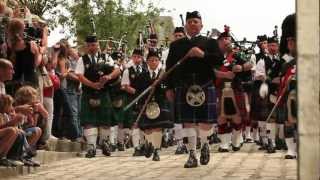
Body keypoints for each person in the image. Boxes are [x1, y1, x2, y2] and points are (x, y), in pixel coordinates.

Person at [165, 11, 222, 168]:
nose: (192, 24)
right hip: (184, 86)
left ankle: (204, 145)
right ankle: (191, 155)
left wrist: (202, 54)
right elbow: (169, 67)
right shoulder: (176, 45)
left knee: (205, 121)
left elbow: (219, 61)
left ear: (201, 25)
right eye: (189, 22)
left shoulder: (210, 43)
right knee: (188, 122)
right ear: (185, 26)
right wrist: (169, 87)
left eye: (195, 22)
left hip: (205, 84)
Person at [76, 35, 121, 158]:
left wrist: (109, 76)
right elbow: (80, 76)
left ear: (98, 45)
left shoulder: (106, 57)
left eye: (94, 45)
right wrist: (92, 85)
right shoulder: (82, 60)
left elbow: (118, 70)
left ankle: (104, 142)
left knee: (105, 120)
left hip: (104, 92)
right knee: (89, 120)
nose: (91, 48)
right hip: (89, 92)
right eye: (89, 45)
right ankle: (91, 147)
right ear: (86, 46)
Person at [214, 27, 252, 152]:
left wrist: (241, 67)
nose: (227, 41)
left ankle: (236, 139)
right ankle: (224, 143)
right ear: (219, 41)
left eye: (229, 39)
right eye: (224, 39)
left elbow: (250, 64)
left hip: (235, 87)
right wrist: (222, 74)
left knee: (237, 115)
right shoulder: (214, 55)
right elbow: (211, 71)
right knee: (221, 115)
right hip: (219, 88)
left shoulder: (237, 54)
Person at [137, 50, 173, 161]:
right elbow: (138, 90)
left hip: (160, 102)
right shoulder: (142, 75)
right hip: (146, 104)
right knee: (147, 128)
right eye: (151, 60)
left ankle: (156, 150)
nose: (153, 62)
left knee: (157, 128)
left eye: (156, 60)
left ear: (159, 61)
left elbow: (167, 88)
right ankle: (149, 144)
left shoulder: (164, 74)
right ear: (147, 61)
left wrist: (157, 86)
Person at [121, 48, 146, 156]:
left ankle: (144, 145)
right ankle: (136, 147)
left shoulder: (146, 69)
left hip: (145, 99)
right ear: (132, 57)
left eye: (139, 57)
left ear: (142, 58)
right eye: (135, 57)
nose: (137, 59)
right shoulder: (128, 70)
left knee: (144, 123)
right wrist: (136, 92)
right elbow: (125, 85)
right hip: (132, 99)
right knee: (135, 123)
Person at [278, 14, 297, 159]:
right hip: (289, 94)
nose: (290, 43)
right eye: (288, 40)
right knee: (288, 122)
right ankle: (291, 149)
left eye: (293, 40)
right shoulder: (285, 61)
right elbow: (278, 75)